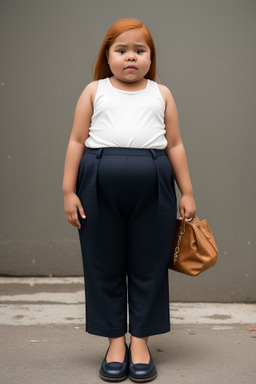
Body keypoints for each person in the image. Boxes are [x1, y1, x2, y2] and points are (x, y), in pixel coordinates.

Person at [62, 18, 196, 383]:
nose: (131, 58)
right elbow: (76, 141)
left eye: (140, 51)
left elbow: (175, 144)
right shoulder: (94, 91)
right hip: (96, 184)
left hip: (153, 186)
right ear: (108, 56)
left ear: (151, 57)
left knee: (149, 266)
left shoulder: (161, 93)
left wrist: (186, 191)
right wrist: (69, 191)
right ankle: (114, 343)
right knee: (102, 265)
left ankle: (140, 342)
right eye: (122, 51)